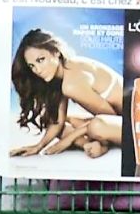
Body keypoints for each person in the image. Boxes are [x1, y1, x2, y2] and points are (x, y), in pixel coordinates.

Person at [9, 29, 123, 158]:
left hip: (133, 124)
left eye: (40, 60)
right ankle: (93, 144)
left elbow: (109, 116)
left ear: (56, 52)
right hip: (115, 123)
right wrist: (38, 146)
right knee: (52, 121)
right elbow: (58, 121)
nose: (38, 70)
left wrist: (67, 140)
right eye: (32, 66)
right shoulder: (63, 73)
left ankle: (101, 145)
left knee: (96, 126)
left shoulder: (71, 83)